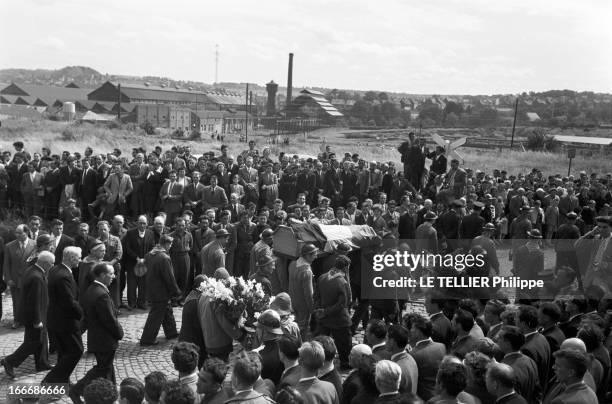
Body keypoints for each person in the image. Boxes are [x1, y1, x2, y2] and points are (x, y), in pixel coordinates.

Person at [70, 263, 124, 404]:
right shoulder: (101, 295)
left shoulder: (92, 289)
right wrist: (119, 333)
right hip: (104, 340)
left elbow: (87, 317)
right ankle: (76, 390)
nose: (114, 276)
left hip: (97, 338)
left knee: (107, 367)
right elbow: (109, 320)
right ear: (101, 275)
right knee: (102, 368)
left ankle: (111, 392)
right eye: (111, 273)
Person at [1, 250, 54, 378]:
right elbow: (34, 300)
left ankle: (42, 363)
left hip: (34, 314)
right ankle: (10, 361)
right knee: (33, 342)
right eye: (51, 263)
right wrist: (37, 320)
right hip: (34, 316)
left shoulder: (32, 270)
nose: (52, 266)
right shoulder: (36, 277)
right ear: (45, 263)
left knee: (41, 340)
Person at [42, 246, 84, 385]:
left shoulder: (56, 269)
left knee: (64, 352)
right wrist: (81, 313)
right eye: (78, 257)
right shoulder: (64, 276)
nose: (80, 260)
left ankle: (62, 381)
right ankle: (49, 380)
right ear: (71, 258)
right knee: (76, 351)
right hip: (65, 322)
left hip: (56, 319)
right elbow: (69, 302)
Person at [140, 234, 181, 346]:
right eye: (170, 244)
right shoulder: (164, 258)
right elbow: (169, 277)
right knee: (156, 315)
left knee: (166, 311)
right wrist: (176, 291)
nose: (171, 247)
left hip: (151, 289)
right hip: (161, 292)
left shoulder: (149, 255)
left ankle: (171, 333)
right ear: (167, 244)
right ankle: (147, 339)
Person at [313, 254, 352, 369]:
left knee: (322, 343)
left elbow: (316, 296)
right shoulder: (342, 282)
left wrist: (320, 310)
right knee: (344, 343)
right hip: (339, 320)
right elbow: (344, 303)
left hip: (324, 319)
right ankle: (345, 363)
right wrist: (326, 311)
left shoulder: (322, 277)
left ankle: (320, 362)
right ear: (346, 268)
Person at [3, 223, 36, 328]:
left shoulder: (34, 244)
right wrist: (8, 279)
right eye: (16, 233)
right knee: (16, 301)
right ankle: (17, 320)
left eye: (19, 233)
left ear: (26, 232)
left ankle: (29, 320)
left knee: (30, 300)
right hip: (15, 279)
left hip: (30, 278)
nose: (17, 235)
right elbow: (6, 264)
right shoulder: (9, 246)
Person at [123, 215, 155, 310]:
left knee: (143, 284)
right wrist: (136, 258)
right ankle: (132, 303)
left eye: (144, 223)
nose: (142, 225)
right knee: (132, 284)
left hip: (145, 263)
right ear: (137, 223)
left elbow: (152, 247)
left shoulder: (150, 233)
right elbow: (127, 248)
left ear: (147, 224)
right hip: (132, 263)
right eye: (140, 223)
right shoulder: (130, 233)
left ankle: (142, 302)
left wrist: (145, 259)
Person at [288, 243, 318, 338]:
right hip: (303, 307)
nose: (316, 257)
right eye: (314, 254)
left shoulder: (292, 264)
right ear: (308, 256)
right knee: (302, 331)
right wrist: (312, 308)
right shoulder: (306, 271)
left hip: (292, 302)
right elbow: (309, 294)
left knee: (293, 328)